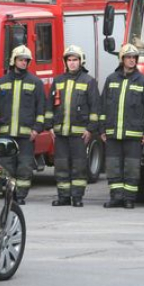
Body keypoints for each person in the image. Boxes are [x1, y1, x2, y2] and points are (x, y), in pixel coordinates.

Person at [101, 43, 144, 209]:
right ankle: (116, 197)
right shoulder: (111, 79)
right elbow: (103, 107)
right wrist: (102, 129)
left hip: (134, 135)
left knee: (132, 168)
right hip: (112, 134)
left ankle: (129, 199)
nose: (131, 60)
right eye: (128, 57)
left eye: (134, 58)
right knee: (113, 167)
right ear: (122, 59)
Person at [0, 45, 46, 205]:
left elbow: (41, 109)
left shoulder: (36, 83)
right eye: (20, 60)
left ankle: (20, 196)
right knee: (7, 167)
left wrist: (37, 129)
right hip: (6, 134)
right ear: (13, 61)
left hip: (26, 136)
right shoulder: (2, 82)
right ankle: (8, 194)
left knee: (24, 167)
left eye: (26, 60)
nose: (23, 63)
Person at [46, 44, 101, 207]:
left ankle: (77, 197)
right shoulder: (58, 81)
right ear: (65, 62)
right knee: (61, 166)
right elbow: (49, 106)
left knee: (79, 166)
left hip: (79, 134)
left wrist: (90, 129)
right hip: (60, 134)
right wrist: (49, 127)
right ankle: (63, 197)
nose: (72, 63)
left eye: (75, 60)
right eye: (69, 60)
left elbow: (95, 108)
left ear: (81, 61)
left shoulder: (89, 81)